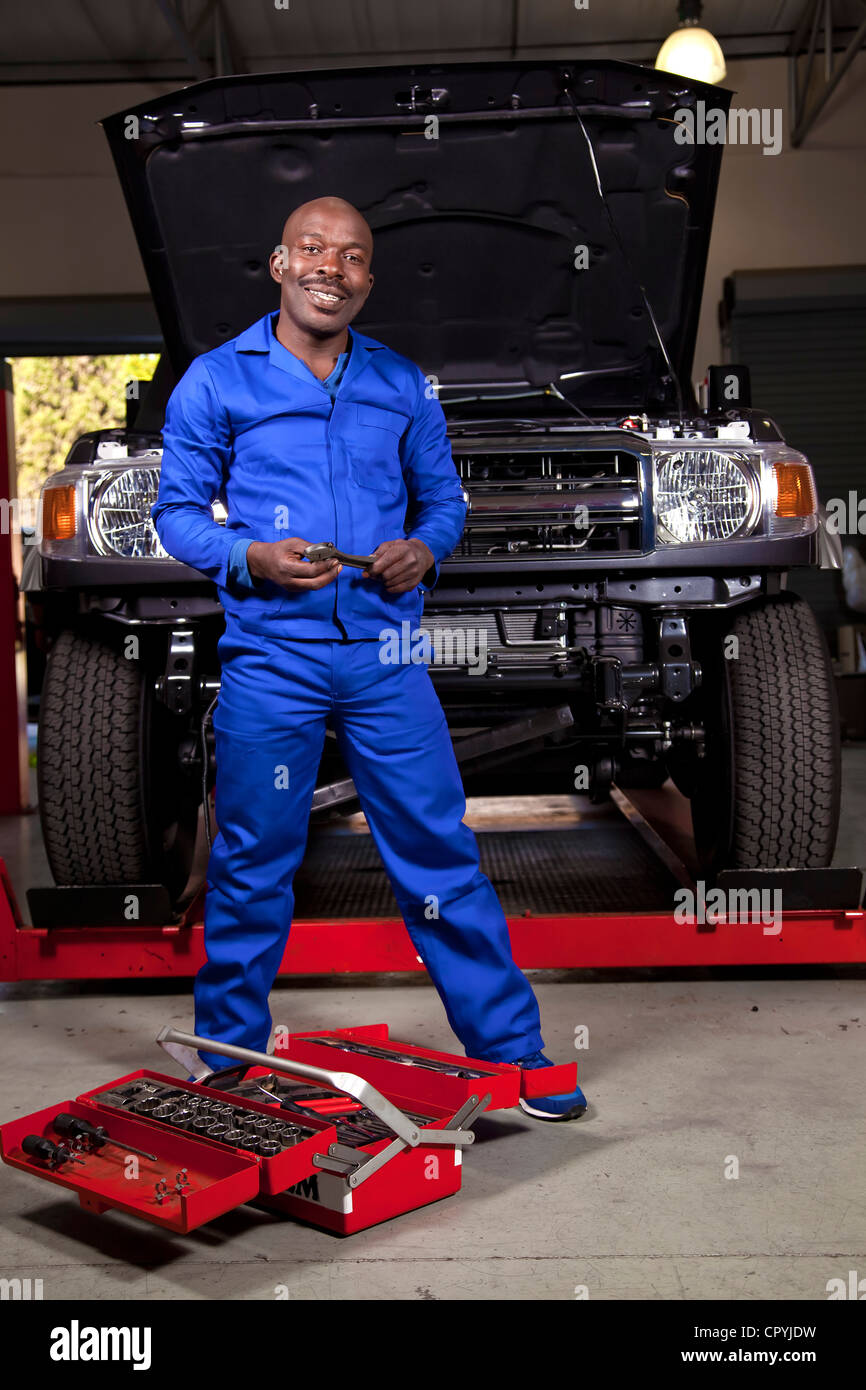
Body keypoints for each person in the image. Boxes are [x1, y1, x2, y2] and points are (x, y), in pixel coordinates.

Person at [152, 195, 587, 1120]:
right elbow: (177, 514)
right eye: (312, 248)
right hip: (273, 659)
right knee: (253, 858)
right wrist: (248, 557)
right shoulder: (216, 380)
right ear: (278, 263)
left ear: (367, 281)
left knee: (439, 853)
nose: (329, 267)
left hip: (387, 658)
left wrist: (425, 548)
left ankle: (516, 1055)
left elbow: (446, 504)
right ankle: (228, 1056)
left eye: (350, 257)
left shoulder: (401, 382)